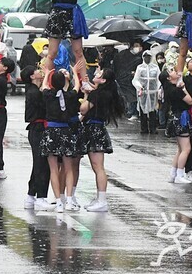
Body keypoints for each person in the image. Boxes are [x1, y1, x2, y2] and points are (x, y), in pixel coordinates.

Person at [79, 69, 123, 212]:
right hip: (97, 128)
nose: (96, 74)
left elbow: (83, 109)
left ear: (103, 80)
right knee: (97, 167)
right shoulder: (105, 93)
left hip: (93, 129)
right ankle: (99, 199)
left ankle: (102, 200)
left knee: (98, 167)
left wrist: (86, 94)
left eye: (99, 74)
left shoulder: (97, 94)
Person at [40, 69, 80, 213]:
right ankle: (69, 199)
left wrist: (47, 74)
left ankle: (58, 202)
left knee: (53, 169)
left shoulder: (48, 95)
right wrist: (75, 73)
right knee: (68, 168)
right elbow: (77, 87)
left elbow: (44, 86)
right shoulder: (70, 96)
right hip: (66, 131)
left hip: (51, 131)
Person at [21, 66, 51, 210]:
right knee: (42, 164)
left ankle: (31, 195)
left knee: (39, 163)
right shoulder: (34, 92)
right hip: (38, 129)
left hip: (38, 129)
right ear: (32, 77)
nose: (40, 72)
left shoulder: (34, 91)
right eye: (37, 71)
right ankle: (40, 197)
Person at [163, 66, 192, 184]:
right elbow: (190, 101)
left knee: (180, 149)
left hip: (175, 117)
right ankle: (180, 174)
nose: (175, 72)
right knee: (186, 148)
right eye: (171, 71)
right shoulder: (176, 90)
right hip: (181, 118)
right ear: (168, 78)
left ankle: (173, 174)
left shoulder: (168, 89)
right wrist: (184, 89)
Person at [133, 51, 162, 134]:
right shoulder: (140, 67)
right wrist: (139, 87)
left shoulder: (155, 67)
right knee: (143, 111)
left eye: (149, 56)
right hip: (143, 93)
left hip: (153, 92)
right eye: (145, 56)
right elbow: (135, 79)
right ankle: (144, 128)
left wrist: (158, 88)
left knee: (152, 110)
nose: (147, 58)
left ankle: (153, 128)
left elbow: (159, 79)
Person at [114, 40, 142, 122]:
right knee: (129, 96)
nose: (137, 48)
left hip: (134, 79)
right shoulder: (124, 55)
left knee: (133, 96)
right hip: (125, 78)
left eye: (139, 46)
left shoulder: (140, 57)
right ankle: (132, 112)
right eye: (136, 45)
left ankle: (134, 113)